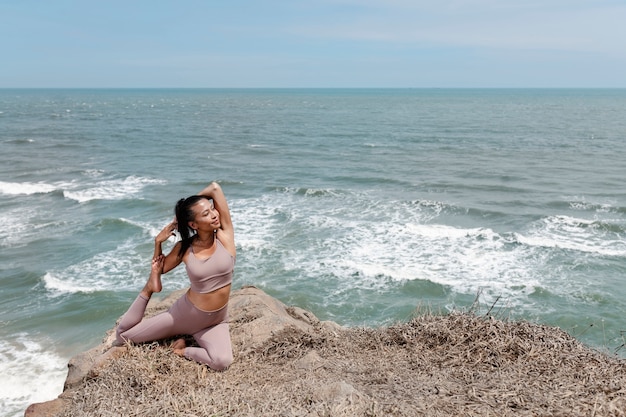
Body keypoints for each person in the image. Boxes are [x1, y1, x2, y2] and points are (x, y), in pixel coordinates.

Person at [115, 182, 235, 371]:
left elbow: (214, 188)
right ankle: (149, 289)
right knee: (123, 336)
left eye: (212, 209)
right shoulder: (184, 248)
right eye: (205, 214)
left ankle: (180, 349)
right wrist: (157, 243)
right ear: (193, 224)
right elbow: (160, 268)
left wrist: (184, 210)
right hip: (184, 315)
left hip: (215, 321)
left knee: (222, 362)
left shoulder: (225, 236)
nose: (213, 214)